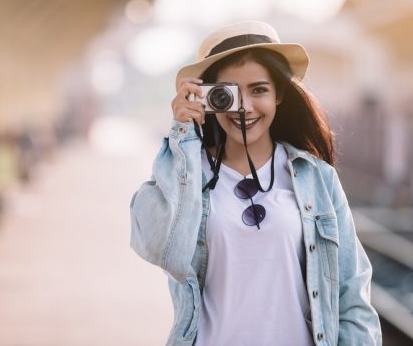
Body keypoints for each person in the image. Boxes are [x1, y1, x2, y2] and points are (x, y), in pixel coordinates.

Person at [129, 21, 382, 346]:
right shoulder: (189, 174)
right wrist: (182, 136)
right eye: (228, 94)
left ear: (279, 95)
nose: (245, 107)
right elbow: (159, 246)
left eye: (259, 90)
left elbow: (352, 294)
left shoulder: (316, 177)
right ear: (207, 98)